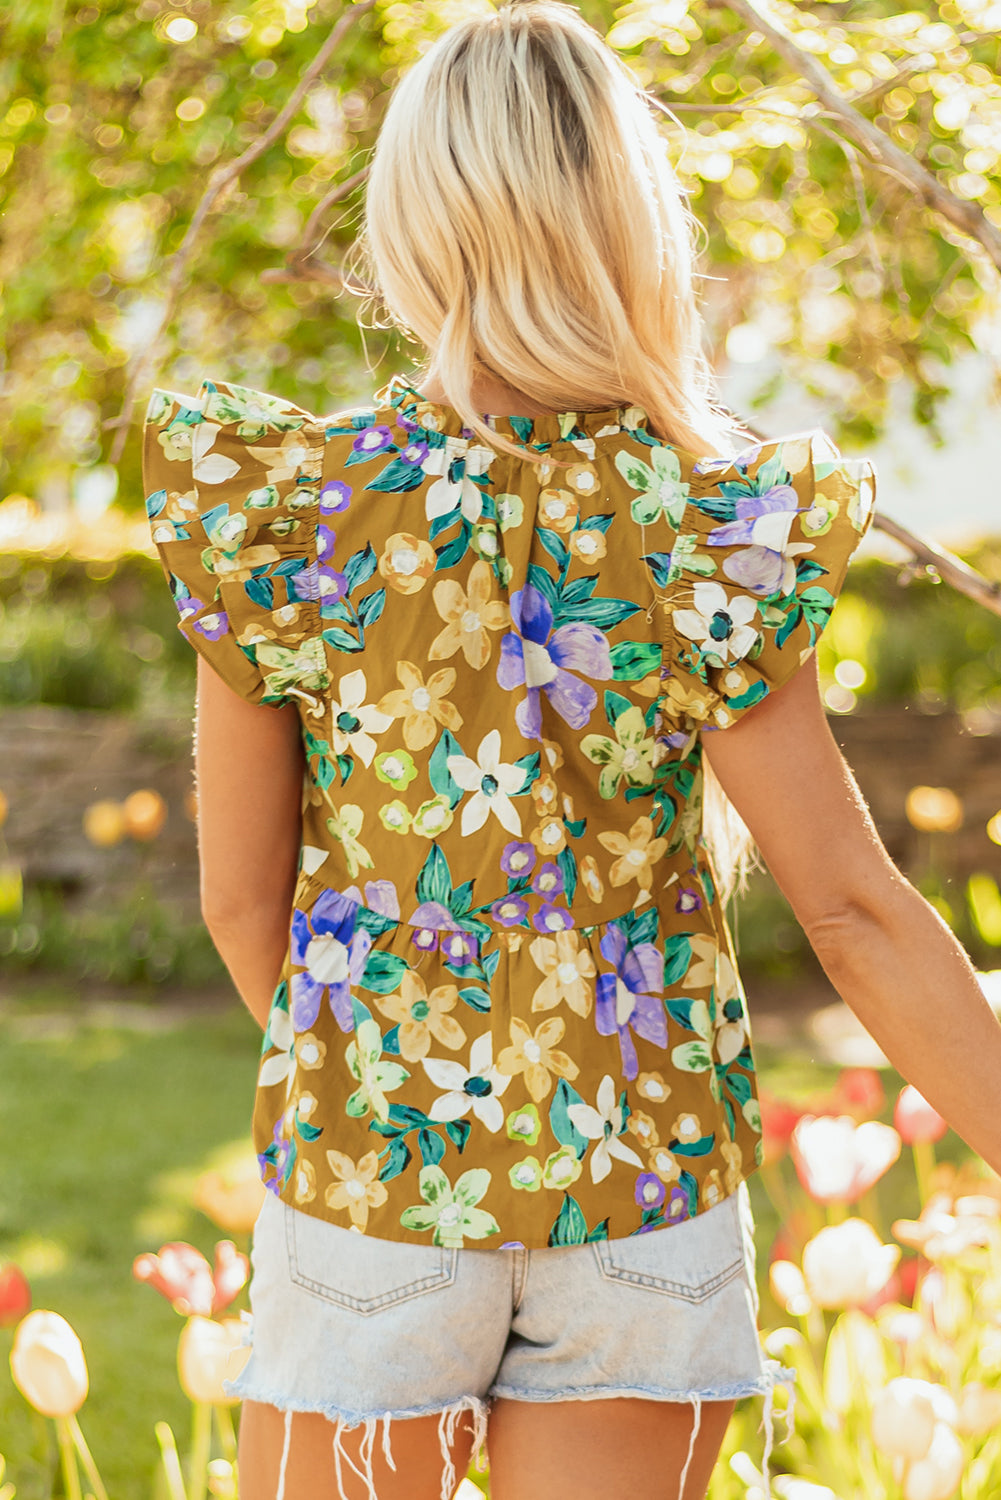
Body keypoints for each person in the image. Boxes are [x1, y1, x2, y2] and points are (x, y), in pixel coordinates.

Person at [140, 4, 1001, 1497]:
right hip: (644, 1187)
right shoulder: (703, 527)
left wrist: (396, 1084)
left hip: (376, 1177)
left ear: (413, 227)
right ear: (629, 222)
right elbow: (854, 914)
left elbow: (237, 903)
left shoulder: (299, 510)